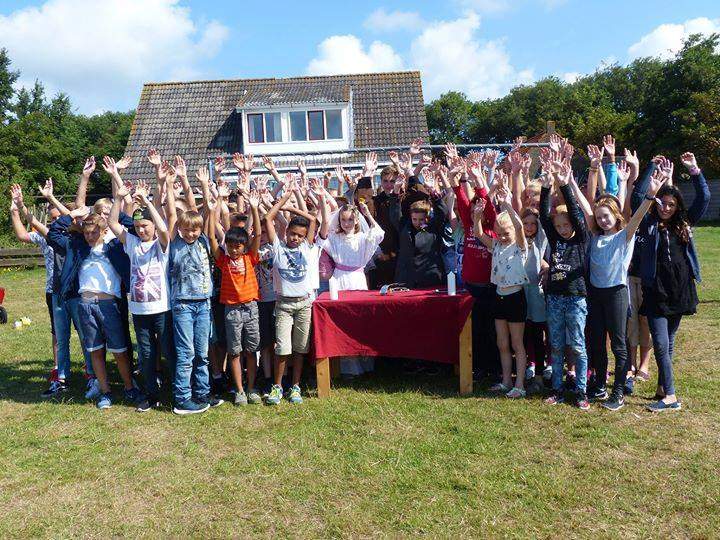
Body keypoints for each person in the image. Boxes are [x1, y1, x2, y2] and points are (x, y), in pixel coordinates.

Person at [586, 166, 669, 411]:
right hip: (595, 294)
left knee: (618, 345)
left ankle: (618, 393)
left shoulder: (624, 236)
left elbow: (637, 216)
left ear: (614, 215)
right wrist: (568, 179)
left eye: (606, 216)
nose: (602, 220)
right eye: (598, 217)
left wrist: (650, 196)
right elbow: (583, 204)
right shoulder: (595, 235)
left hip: (616, 295)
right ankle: (600, 384)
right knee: (597, 343)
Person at [635, 152, 711, 412]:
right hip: (656, 292)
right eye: (661, 203)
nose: (665, 208)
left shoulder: (684, 224)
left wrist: (695, 171)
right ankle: (665, 390)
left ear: (677, 206)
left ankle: (669, 396)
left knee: (668, 342)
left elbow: (704, 198)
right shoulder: (648, 223)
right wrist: (650, 169)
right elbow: (636, 200)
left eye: (670, 204)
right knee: (661, 343)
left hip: (680, 291)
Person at [47, 207, 140, 410]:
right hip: (85, 305)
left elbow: (135, 229)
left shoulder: (116, 246)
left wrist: (117, 214)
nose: (89, 236)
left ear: (104, 231)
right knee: (95, 351)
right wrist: (71, 216)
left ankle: (129, 387)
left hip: (109, 305)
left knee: (119, 350)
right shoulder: (77, 247)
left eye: (93, 232)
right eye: (86, 232)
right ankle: (105, 392)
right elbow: (52, 235)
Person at [108, 180, 175, 413]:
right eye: (137, 227)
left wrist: (147, 202)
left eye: (145, 225)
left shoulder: (161, 244)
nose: (141, 230)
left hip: (162, 308)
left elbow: (165, 230)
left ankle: (177, 391)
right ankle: (150, 394)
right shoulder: (132, 243)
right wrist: (118, 198)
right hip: (139, 311)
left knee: (168, 351)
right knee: (146, 354)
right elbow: (112, 223)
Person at [166, 166, 219, 415]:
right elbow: (170, 213)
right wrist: (169, 185)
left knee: (202, 353)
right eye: (187, 229)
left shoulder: (204, 241)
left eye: (194, 229)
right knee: (186, 354)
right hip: (183, 305)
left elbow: (208, 212)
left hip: (204, 303)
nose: (191, 232)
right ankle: (182, 398)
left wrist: (204, 185)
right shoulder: (173, 243)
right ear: (180, 229)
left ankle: (202, 392)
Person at [539, 161, 591, 409]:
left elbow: (574, 209)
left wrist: (563, 183)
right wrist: (547, 188)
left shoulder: (580, 237)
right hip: (555, 298)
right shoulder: (553, 236)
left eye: (565, 225)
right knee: (557, 345)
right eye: (558, 226)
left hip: (576, 297)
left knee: (578, 346)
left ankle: (581, 392)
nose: (561, 229)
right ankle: (557, 389)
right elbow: (542, 215)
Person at [264, 181, 320, 405]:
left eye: (300, 235)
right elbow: (268, 218)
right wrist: (283, 201)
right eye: (292, 234)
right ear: (286, 232)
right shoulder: (278, 248)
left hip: (304, 303)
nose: (295, 238)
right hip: (284, 305)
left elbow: (313, 220)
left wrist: (294, 210)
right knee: (282, 348)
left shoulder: (307, 247)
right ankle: (277, 387)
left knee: (299, 348)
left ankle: (295, 386)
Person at [317, 197, 385, 376]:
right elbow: (321, 237)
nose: (346, 223)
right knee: (342, 320)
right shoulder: (335, 238)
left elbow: (378, 234)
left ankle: (365, 363)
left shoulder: (363, 238)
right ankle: (347, 366)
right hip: (339, 279)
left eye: (350, 219)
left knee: (359, 320)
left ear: (356, 220)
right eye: (343, 219)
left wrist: (367, 214)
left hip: (357, 279)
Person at [208, 188, 263, 406]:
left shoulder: (250, 257)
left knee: (252, 350)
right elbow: (212, 236)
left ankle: (251, 388)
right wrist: (215, 207)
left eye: (238, 246)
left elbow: (257, 235)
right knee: (235, 351)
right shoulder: (223, 262)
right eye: (230, 246)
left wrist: (255, 209)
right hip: (231, 310)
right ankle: (239, 390)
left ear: (244, 246)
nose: (234, 250)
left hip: (251, 308)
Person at [474, 189, 529, 398]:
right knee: (502, 342)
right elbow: (479, 234)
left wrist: (506, 204)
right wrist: (478, 216)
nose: (503, 237)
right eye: (500, 233)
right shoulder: (496, 244)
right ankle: (506, 381)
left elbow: (519, 226)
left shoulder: (520, 246)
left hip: (515, 296)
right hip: (499, 295)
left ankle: (520, 384)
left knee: (517, 343)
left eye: (507, 233)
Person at [9, 184, 62, 396]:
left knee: (86, 334)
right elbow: (23, 235)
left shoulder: (76, 236)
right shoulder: (45, 237)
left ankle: (91, 374)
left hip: (76, 292)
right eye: (52, 219)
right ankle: (58, 373)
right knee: (57, 334)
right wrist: (15, 210)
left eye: (59, 217)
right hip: (53, 292)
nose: (55, 221)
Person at [520, 207, 549, 393]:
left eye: (533, 224)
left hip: (535, 293)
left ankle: (539, 375)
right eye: (526, 224)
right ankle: (521, 374)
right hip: (519, 292)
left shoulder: (540, 241)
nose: (529, 227)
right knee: (522, 336)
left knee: (538, 336)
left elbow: (544, 224)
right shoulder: (517, 241)